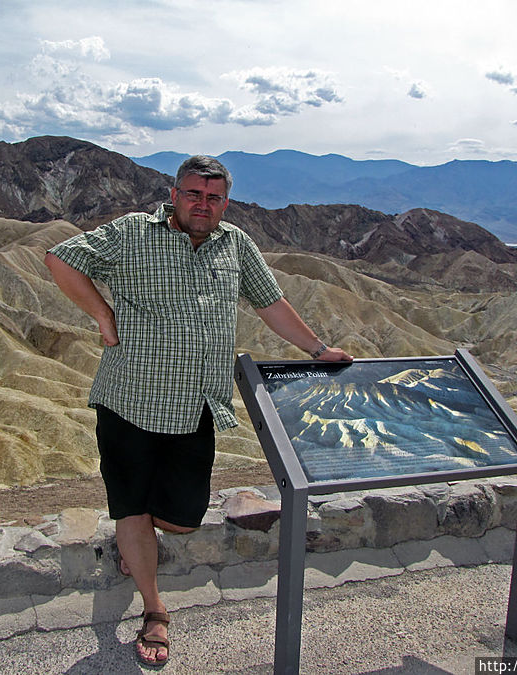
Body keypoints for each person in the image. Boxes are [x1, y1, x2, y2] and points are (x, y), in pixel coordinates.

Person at [44, 155, 352, 668]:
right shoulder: (132, 234)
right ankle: (154, 608)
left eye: (212, 197)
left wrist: (318, 350)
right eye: (192, 193)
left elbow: (269, 303)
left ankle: (134, 539)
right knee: (131, 507)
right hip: (129, 401)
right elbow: (60, 258)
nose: (202, 204)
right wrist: (102, 315)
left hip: (195, 406)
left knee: (183, 519)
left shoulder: (235, 244)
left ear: (225, 202)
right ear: (174, 194)